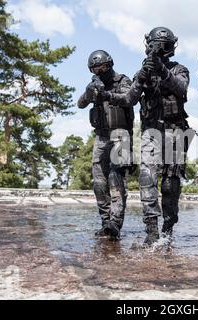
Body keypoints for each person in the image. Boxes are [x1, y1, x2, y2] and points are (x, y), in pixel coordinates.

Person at [106, 27, 192, 245]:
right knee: (147, 178)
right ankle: (152, 230)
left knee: (171, 185)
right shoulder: (143, 71)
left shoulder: (180, 69)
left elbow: (181, 88)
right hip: (151, 132)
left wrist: (162, 70)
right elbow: (130, 99)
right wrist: (143, 76)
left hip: (175, 131)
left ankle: (168, 229)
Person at [77, 50, 135, 241]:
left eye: (103, 67)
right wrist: (90, 92)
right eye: (95, 68)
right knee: (99, 183)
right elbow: (80, 103)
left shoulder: (122, 81)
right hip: (101, 138)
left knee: (116, 180)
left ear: (110, 64)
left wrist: (107, 94)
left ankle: (115, 223)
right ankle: (106, 224)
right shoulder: (93, 84)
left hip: (121, 136)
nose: (100, 71)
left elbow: (130, 97)